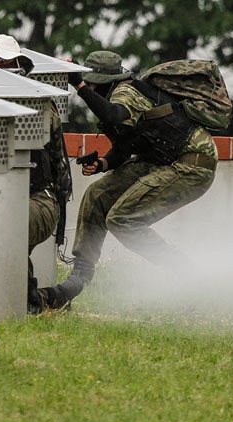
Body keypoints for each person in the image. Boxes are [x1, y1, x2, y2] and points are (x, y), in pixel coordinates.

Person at [33, 50, 218, 311]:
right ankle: (78, 280)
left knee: (123, 219)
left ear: (103, 81)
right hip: (160, 161)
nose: (91, 88)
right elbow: (125, 146)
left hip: (192, 164)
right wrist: (103, 164)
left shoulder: (126, 91)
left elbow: (113, 115)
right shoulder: (119, 95)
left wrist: (80, 85)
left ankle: (188, 275)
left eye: (93, 82)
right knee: (97, 195)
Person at [0, 34, 71, 314]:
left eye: (2, 61)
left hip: (40, 199)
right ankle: (31, 298)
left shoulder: (38, 104)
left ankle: (28, 301)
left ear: (18, 65)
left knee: (6, 223)